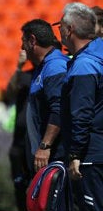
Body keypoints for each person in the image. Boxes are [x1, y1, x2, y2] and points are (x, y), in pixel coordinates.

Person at [56, 3, 103, 211]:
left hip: (92, 153)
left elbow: (82, 114)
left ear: (70, 29)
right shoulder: (96, 56)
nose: (58, 29)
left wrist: (75, 154)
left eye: (60, 24)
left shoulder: (85, 65)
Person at [21, 19, 68, 177]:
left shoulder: (55, 66)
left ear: (32, 40)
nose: (22, 47)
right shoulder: (43, 67)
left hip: (55, 154)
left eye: (24, 41)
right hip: (46, 155)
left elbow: (59, 108)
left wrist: (45, 146)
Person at [5, 50, 33, 211]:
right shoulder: (24, 76)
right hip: (19, 140)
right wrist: (19, 67)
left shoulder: (49, 73)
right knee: (19, 182)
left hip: (35, 140)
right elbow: (9, 92)